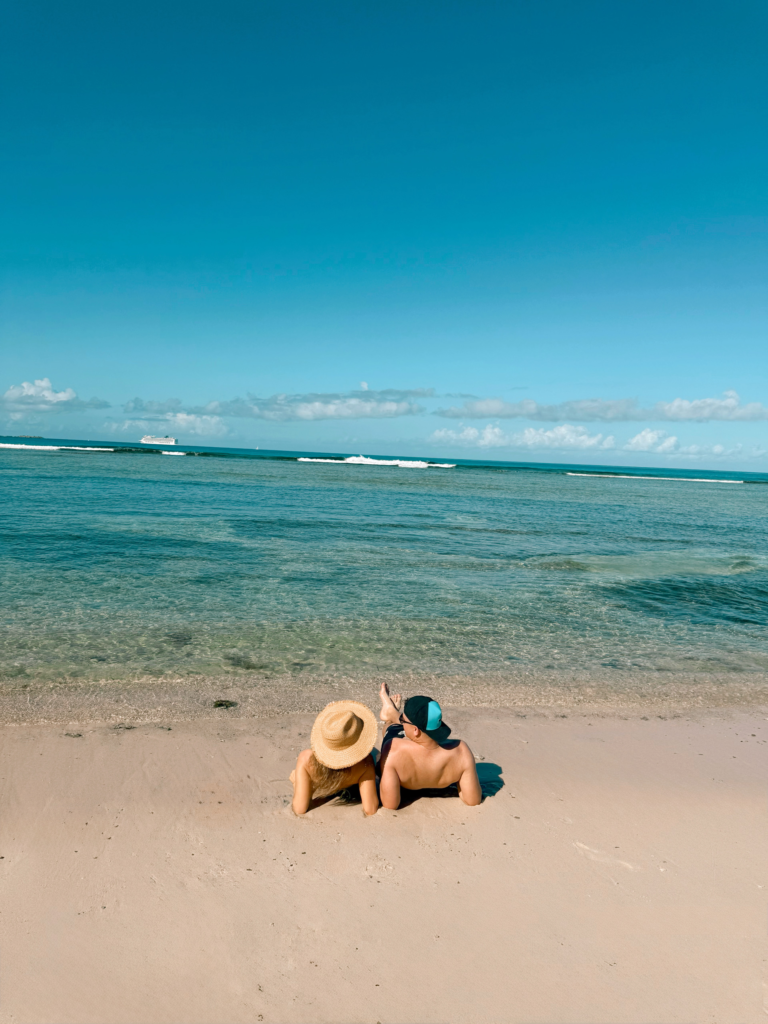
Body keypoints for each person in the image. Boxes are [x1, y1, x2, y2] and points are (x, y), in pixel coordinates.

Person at [377, 683, 482, 810]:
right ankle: (393, 713)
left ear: (415, 730)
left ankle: (390, 716)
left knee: (392, 728)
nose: (403, 722)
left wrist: (380, 761)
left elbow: (390, 804)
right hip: (422, 733)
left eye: (403, 720)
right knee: (407, 726)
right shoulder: (461, 751)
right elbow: (473, 800)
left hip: (401, 744)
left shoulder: (393, 749)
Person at [290, 700, 379, 816]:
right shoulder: (365, 763)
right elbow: (370, 809)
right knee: (375, 752)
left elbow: (299, 809)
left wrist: (300, 785)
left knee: (295, 776)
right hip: (352, 781)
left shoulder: (307, 759)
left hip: (324, 778)